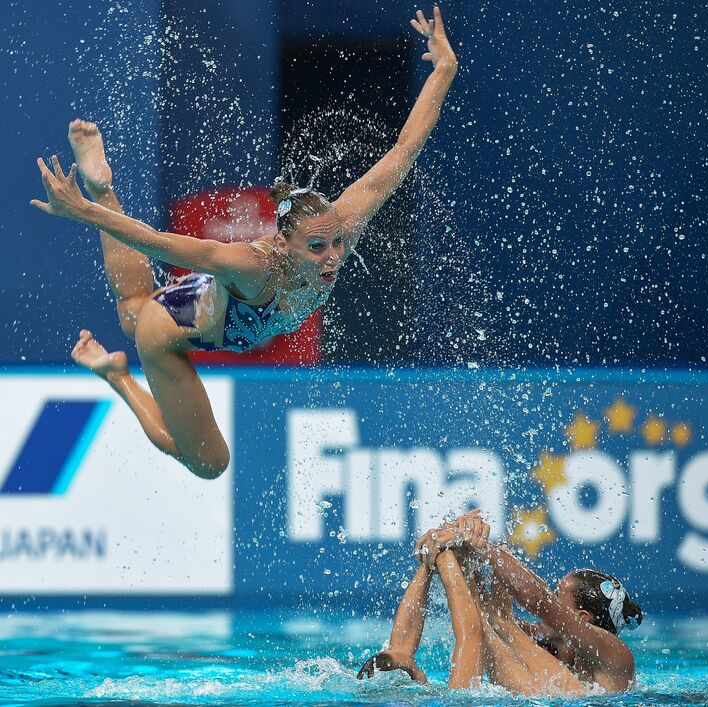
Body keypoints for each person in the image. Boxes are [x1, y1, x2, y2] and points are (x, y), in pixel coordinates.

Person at [30, 8, 457, 479]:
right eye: (317, 248)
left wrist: (442, 71)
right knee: (205, 455)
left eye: (335, 241)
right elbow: (156, 242)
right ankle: (119, 373)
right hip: (171, 329)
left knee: (131, 309)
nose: (333, 255)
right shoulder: (254, 265)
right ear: (284, 242)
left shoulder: (343, 223)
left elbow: (403, 148)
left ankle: (100, 187)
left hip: (202, 301)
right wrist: (83, 213)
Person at [359, 510, 642, 696]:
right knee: (495, 621)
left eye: (560, 597)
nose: (553, 600)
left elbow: (538, 602)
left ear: (582, 618)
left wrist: (481, 548)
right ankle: (441, 558)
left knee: (492, 626)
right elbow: (486, 616)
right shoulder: (556, 650)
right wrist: (462, 551)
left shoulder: (613, 653)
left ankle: (442, 559)